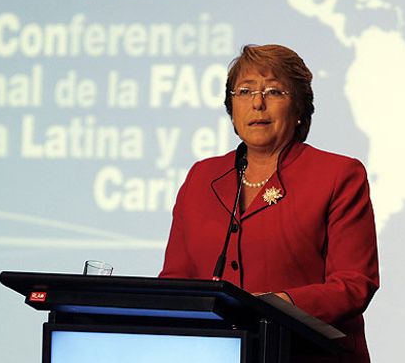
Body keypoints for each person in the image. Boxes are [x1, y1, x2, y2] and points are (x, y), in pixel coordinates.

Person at [159, 44, 379, 362]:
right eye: (245, 91)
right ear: (230, 106)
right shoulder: (201, 177)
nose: (257, 103)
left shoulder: (338, 175)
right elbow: (175, 282)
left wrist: (275, 304)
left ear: (300, 109)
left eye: (274, 92)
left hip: (309, 354)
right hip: (217, 352)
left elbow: (354, 284)